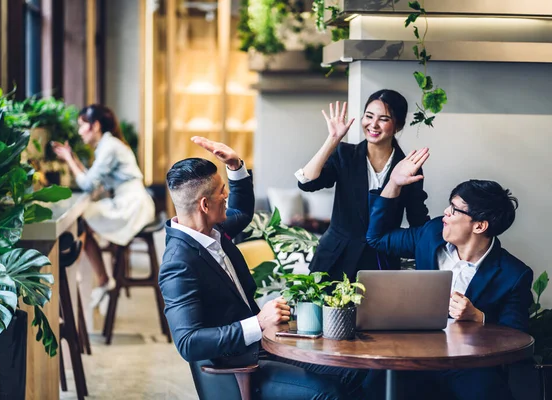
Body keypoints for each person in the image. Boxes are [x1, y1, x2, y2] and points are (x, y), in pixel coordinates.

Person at [159, 137, 360, 399]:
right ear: (205, 205)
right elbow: (188, 343)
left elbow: (241, 211)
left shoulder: (212, 230)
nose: (226, 194)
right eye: (221, 190)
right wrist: (258, 322)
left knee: (356, 371)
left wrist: (235, 165)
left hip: (262, 348)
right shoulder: (178, 263)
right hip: (237, 365)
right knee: (328, 392)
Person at [364, 147, 533, 400]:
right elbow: (376, 238)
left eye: (454, 210)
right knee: (373, 386)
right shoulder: (430, 234)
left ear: (479, 225)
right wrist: (393, 184)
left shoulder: (513, 274)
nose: (445, 213)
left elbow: (517, 338)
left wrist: (479, 317)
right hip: (415, 357)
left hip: (470, 366)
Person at [296, 90, 429, 282]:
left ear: (398, 125)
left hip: (380, 262)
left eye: (383, 119)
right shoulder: (345, 154)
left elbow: (418, 219)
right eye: (368, 116)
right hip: (335, 258)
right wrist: (332, 140)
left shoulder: (408, 166)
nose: (373, 124)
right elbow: (307, 183)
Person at [52, 104, 155, 307]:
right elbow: (93, 180)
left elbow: (89, 185)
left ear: (95, 125)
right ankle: (99, 279)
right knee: (84, 220)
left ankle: (84, 275)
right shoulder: (108, 146)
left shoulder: (110, 147)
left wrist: (67, 160)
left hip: (131, 206)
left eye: (82, 126)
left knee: (82, 218)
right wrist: (71, 158)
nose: (80, 131)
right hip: (130, 201)